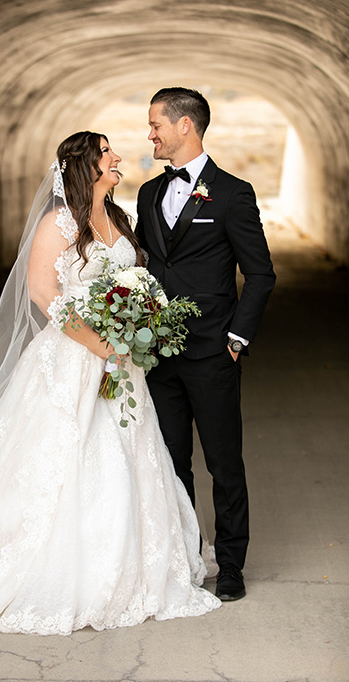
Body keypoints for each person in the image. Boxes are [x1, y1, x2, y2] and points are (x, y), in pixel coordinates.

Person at [0, 131, 221, 637]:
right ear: (84, 165)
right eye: (107, 152)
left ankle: (135, 566)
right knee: (58, 460)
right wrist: (100, 344)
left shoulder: (119, 219)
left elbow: (131, 280)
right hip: (71, 360)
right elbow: (43, 293)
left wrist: (139, 323)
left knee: (128, 453)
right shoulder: (58, 223)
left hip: (123, 364)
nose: (117, 157)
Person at [136, 88, 276, 602]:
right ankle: (187, 554)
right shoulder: (149, 194)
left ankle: (232, 564)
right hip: (157, 356)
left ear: (185, 126)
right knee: (171, 461)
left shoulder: (234, 194)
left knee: (223, 462)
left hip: (214, 353)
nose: (150, 133)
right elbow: (148, 265)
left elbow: (260, 273)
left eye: (156, 124)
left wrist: (236, 339)